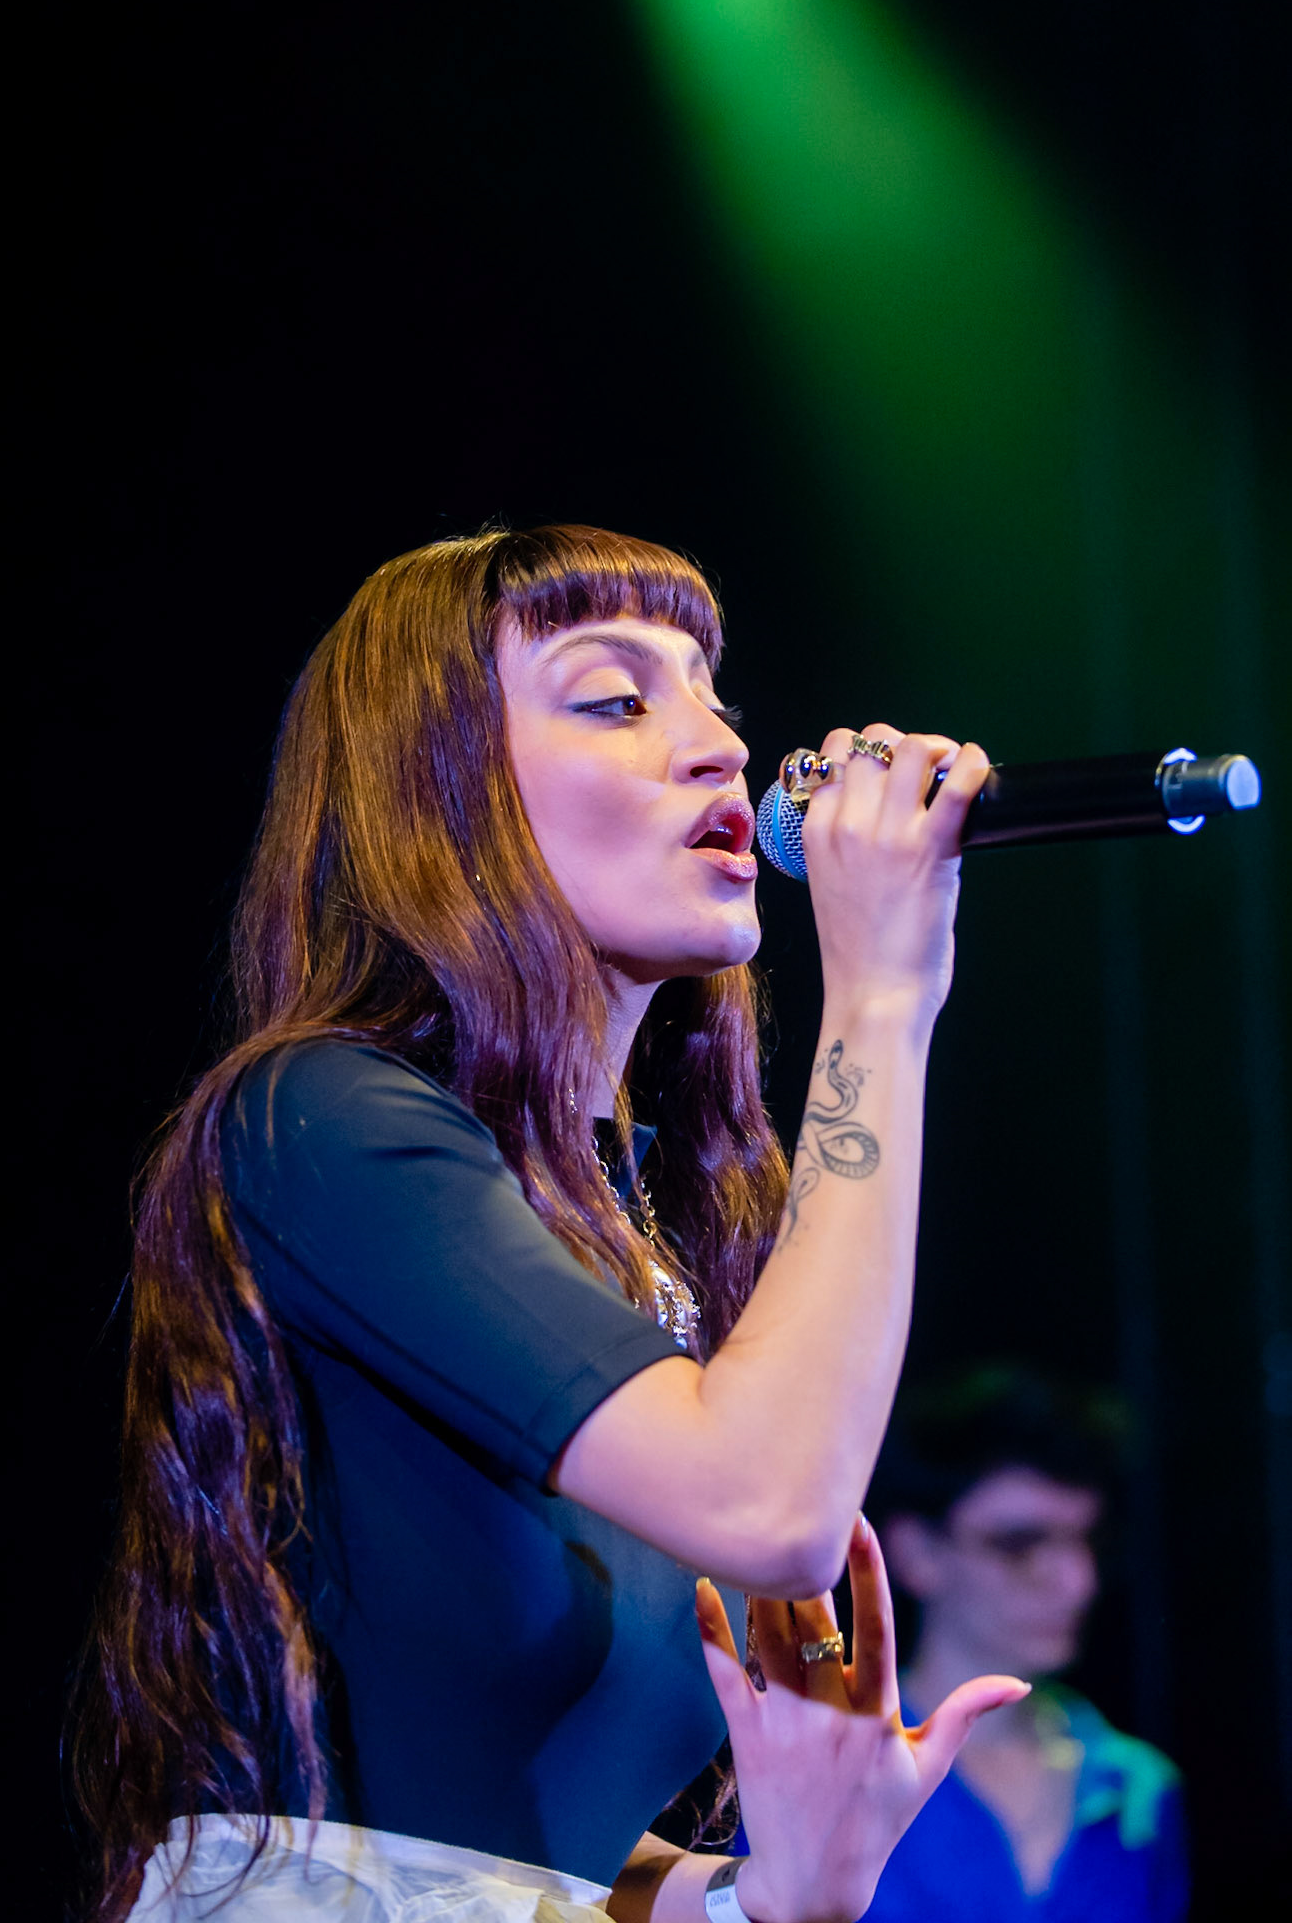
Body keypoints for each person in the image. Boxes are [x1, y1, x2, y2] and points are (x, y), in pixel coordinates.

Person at [71, 523, 1022, 1923]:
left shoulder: (647, 1228)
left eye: (713, 701)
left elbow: (513, 1849)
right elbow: (768, 1506)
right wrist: (881, 1000)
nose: (717, 750)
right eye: (618, 700)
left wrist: (770, 1891)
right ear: (439, 796)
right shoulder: (320, 1120)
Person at [862, 1366, 1189, 1921]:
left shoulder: (1139, 1788)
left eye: (1086, 1540)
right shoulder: (836, 1774)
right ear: (916, 1552)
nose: (1079, 1582)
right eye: (1020, 1545)